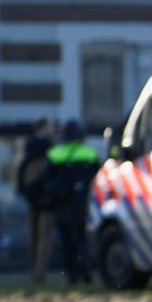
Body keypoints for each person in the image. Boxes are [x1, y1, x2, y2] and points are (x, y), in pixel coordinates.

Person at [42, 120, 102, 284]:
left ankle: (71, 274)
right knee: (82, 238)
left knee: (66, 240)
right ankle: (85, 268)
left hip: (62, 204)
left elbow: (45, 180)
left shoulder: (55, 153)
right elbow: (99, 177)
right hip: (84, 203)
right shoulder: (89, 153)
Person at [17, 117, 57, 283]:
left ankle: (34, 271)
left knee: (34, 237)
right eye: (50, 126)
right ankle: (39, 273)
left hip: (31, 198)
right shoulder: (49, 149)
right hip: (45, 199)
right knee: (44, 237)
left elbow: (21, 175)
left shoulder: (28, 150)